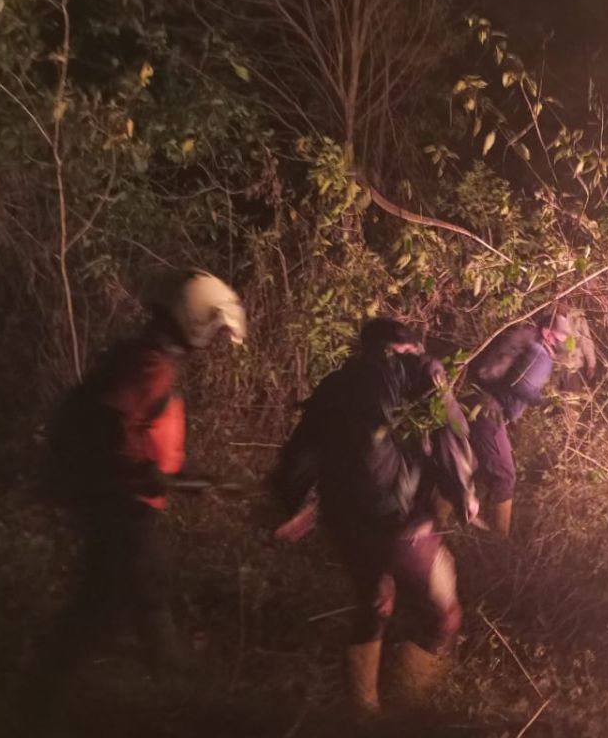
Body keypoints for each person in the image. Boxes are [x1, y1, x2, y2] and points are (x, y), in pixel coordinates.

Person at [24, 270, 246, 717]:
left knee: (142, 589)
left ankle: (171, 688)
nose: (215, 339)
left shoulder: (146, 357)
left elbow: (146, 428)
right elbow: (118, 422)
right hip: (122, 503)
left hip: (127, 500)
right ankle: (38, 701)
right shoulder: (150, 363)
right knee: (105, 601)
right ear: (196, 319)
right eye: (216, 328)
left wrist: (183, 473)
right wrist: (148, 472)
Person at [301, 318, 477, 719]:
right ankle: (409, 708)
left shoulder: (337, 382)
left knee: (376, 602)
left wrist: (297, 501)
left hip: (345, 516)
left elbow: (305, 445)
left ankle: (364, 712)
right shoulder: (421, 372)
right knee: (445, 615)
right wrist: (464, 492)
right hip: (402, 519)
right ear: (407, 347)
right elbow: (452, 433)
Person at [465, 308, 571, 536]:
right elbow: (522, 385)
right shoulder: (540, 353)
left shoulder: (527, 345)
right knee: (505, 475)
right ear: (547, 332)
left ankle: (439, 522)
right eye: (560, 335)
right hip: (489, 413)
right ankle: (500, 541)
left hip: (477, 404)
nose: (563, 341)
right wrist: (542, 400)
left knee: (468, 463)